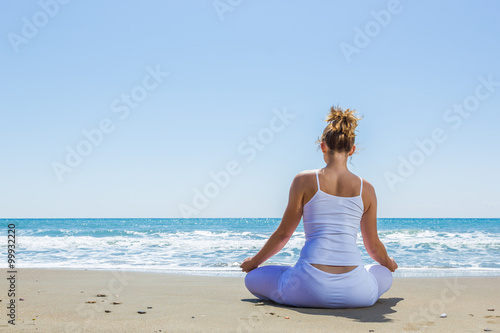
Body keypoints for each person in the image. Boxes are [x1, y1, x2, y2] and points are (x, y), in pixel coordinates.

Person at [240, 106, 398, 308]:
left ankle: (294, 280)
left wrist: (253, 263)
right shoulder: (366, 189)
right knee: (382, 273)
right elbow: (373, 247)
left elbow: (283, 235)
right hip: (357, 293)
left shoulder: (304, 180)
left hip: (306, 288)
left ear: (323, 146)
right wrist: (390, 263)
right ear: (352, 149)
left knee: (253, 278)